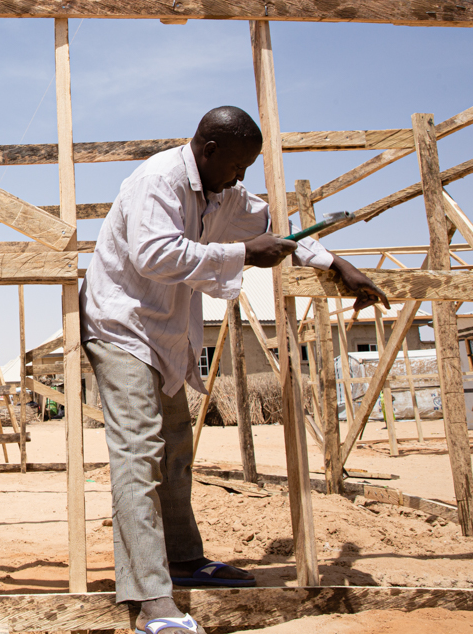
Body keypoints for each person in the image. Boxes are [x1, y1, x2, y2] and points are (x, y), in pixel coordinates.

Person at [79, 106, 387, 634]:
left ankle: (183, 561)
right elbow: (155, 254)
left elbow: (272, 228)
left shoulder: (224, 190)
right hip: (120, 323)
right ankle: (151, 597)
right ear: (209, 149)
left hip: (164, 332)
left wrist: (337, 265)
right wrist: (244, 253)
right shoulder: (158, 180)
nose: (241, 178)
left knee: (175, 449)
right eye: (238, 166)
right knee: (139, 454)